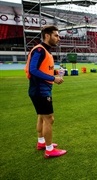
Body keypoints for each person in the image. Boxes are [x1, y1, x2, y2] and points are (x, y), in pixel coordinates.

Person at [24, 25, 67, 158]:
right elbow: (33, 70)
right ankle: (49, 150)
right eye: (56, 35)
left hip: (40, 89)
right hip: (39, 90)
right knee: (49, 118)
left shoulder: (45, 51)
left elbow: (42, 69)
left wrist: (54, 72)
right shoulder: (39, 50)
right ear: (47, 36)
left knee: (42, 117)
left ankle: (41, 142)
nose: (58, 38)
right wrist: (53, 78)